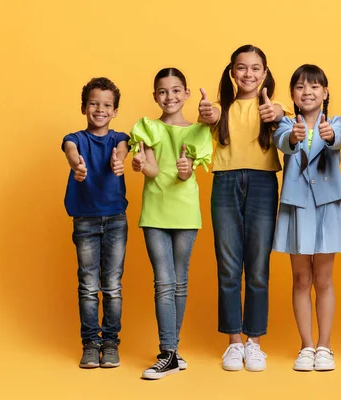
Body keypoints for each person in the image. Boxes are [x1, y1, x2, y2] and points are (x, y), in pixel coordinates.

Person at [198, 45, 288, 372]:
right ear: (232, 72)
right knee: (228, 264)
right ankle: (234, 342)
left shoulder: (275, 109)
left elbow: (287, 126)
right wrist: (206, 115)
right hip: (224, 182)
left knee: (258, 266)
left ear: (265, 74)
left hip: (264, 183)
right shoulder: (219, 110)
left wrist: (278, 114)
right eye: (241, 68)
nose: (248, 74)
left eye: (255, 68)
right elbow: (203, 125)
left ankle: (255, 342)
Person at [129, 68, 212, 380]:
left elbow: (187, 174)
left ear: (187, 94)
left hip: (186, 212)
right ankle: (169, 352)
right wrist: (140, 164)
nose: (170, 97)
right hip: (154, 211)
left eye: (176, 90)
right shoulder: (147, 127)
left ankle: (172, 352)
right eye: (163, 92)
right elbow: (150, 170)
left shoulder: (197, 132)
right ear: (155, 96)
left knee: (179, 281)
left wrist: (186, 169)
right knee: (164, 281)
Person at [273, 64, 341, 372]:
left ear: (325, 92)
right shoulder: (287, 123)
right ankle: (306, 346)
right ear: (292, 94)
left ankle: (325, 346)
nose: (308, 92)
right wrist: (292, 137)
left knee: (324, 279)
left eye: (315, 86)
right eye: (301, 87)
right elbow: (282, 142)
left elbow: (340, 139)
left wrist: (330, 137)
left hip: (326, 206)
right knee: (302, 279)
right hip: (297, 206)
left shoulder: (335, 122)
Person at [61, 77, 129, 369]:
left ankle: (111, 343)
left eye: (107, 105)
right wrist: (77, 165)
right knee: (88, 285)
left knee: (112, 285)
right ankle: (90, 344)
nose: (100, 109)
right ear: (83, 107)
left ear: (114, 111)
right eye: (93, 104)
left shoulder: (119, 139)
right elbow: (70, 151)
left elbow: (124, 149)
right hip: (85, 221)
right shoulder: (75, 138)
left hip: (115, 219)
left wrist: (119, 162)